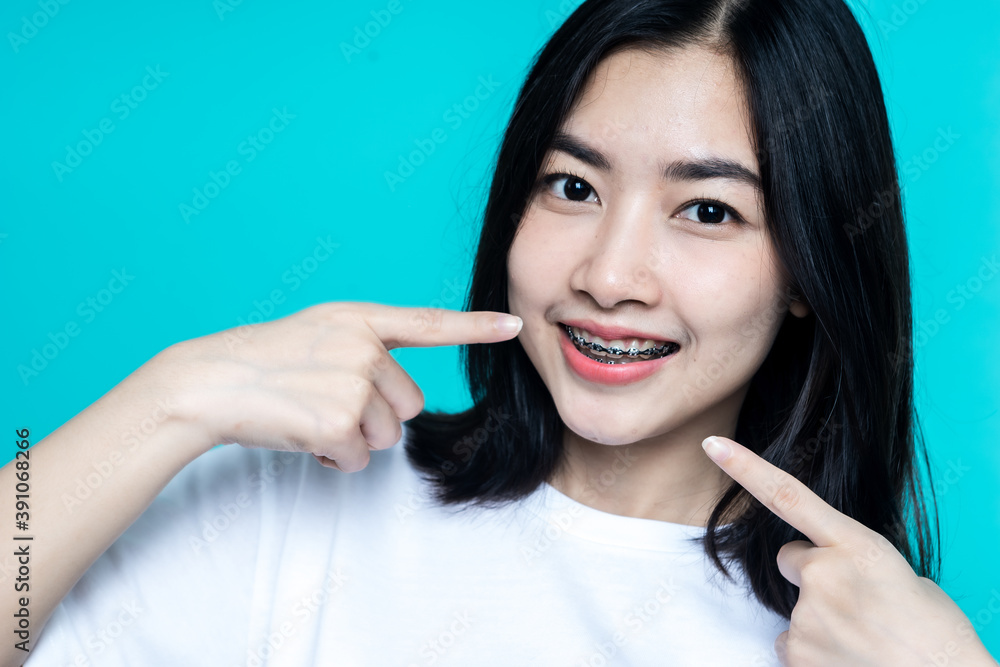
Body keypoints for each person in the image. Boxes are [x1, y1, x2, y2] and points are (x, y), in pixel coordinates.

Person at [4, 0, 996, 665]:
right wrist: (169, 397)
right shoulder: (289, 502)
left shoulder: (855, 640)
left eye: (706, 212)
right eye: (571, 187)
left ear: (807, 272)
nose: (607, 275)